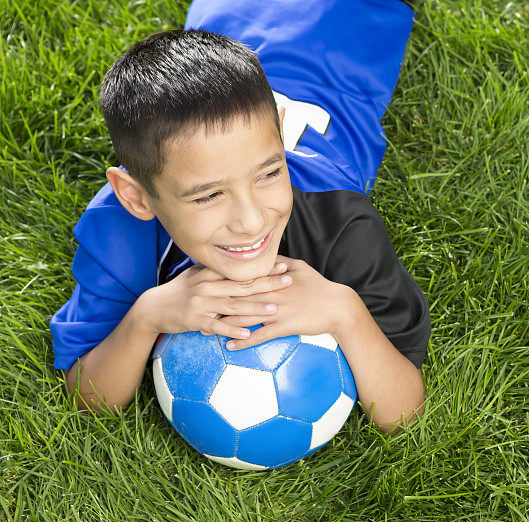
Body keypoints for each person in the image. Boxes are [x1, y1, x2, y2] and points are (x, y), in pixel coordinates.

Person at [49, 0, 430, 435]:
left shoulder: (340, 226)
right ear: (136, 197)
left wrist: (346, 312)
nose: (250, 221)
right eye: (209, 195)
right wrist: (145, 316)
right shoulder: (118, 227)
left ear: (282, 140)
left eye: (270, 172)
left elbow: (403, 414)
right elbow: (87, 396)